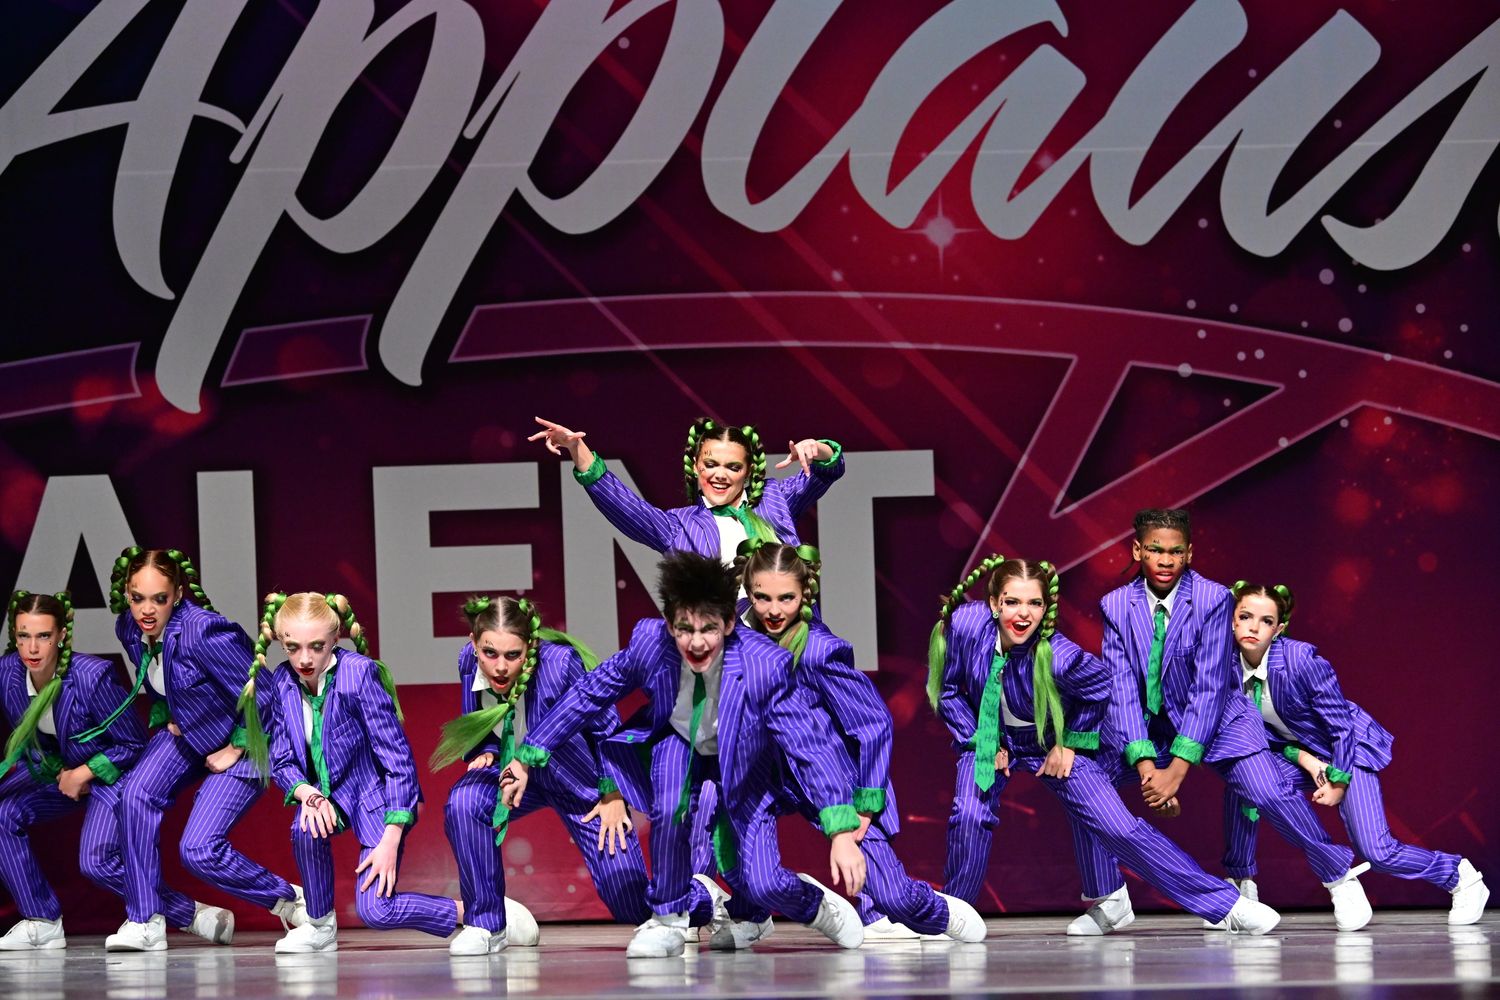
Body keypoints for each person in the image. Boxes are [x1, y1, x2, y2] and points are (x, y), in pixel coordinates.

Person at [498, 552, 869, 957]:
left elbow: (810, 745)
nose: (695, 642)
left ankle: (813, 905)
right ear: (669, 622)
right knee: (670, 806)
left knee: (763, 881)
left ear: (729, 623)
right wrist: (527, 755)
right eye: (683, 628)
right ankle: (669, 918)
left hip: (742, 760)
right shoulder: (649, 644)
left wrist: (840, 831)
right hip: (679, 741)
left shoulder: (765, 664)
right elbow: (589, 694)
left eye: (709, 629)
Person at [930, 555, 1281, 935]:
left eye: (1034, 603)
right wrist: (980, 738)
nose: (1023, 613)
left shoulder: (1060, 656)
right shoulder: (964, 627)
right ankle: (953, 916)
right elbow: (948, 691)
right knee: (968, 813)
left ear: (1046, 608)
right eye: (1012, 602)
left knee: (1118, 828)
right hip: (988, 736)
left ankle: (1225, 904)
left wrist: (1071, 744)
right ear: (995, 603)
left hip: (1053, 740)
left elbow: (1101, 688)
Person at [1084, 510, 1372, 934]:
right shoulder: (1114, 606)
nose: (1165, 560)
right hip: (1150, 731)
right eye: (1156, 550)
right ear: (1137, 550)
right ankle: (1109, 898)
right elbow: (1122, 687)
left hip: (1220, 723)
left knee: (1267, 791)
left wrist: (1176, 773)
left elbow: (1208, 687)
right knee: (1083, 778)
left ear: (1189, 553)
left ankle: (1337, 874)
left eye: (1175, 551)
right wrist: (1148, 769)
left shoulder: (1213, 599)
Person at [739, 541, 986, 945]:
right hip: (762, 777)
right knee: (756, 876)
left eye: (786, 598)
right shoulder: (732, 636)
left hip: (830, 780)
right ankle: (753, 912)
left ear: (805, 595)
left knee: (894, 895)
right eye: (762, 597)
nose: (773, 609)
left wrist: (867, 804)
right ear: (748, 592)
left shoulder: (819, 651)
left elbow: (873, 725)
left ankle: (935, 910)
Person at [1217, 581, 1488, 925]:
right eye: (1245, 616)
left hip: (1346, 750)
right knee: (1244, 781)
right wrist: (1305, 759)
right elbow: (1254, 735)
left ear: (1279, 629)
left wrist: (1338, 780)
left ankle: (1460, 876)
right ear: (1232, 620)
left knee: (1379, 851)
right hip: (1301, 755)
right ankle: (1242, 884)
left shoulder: (1301, 660)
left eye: (1266, 621)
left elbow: (1341, 728)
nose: (1254, 627)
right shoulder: (1223, 667)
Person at [104, 547, 304, 951]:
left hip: (246, 740)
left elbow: (264, 696)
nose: (147, 609)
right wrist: (170, 714)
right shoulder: (129, 628)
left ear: (177, 594)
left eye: (159, 598)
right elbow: (163, 681)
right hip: (192, 737)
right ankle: (145, 921)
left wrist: (235, 747)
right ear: (126, 595)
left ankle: (291, 900)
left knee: (198, 850)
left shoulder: (204, 631)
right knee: (134, 795)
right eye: (137, 597)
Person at [242, 592, 459, 953]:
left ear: (336, 637)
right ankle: (319, 923)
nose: (305, 659)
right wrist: (307, 793)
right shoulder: (281, 682)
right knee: (304, 824)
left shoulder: (358, 674)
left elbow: (398, 759)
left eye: (316, 646)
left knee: (377, 911)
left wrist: (391, 837)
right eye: (292, 647)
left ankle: (474, 913)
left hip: (374, 796)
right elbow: (282, 759)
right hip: (327, 795)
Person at [435, 595, 648, 955]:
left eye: (512, 655)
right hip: (512, 774)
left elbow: (606, 729)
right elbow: (480, 725)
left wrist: (613, 793)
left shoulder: (561, 664)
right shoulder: (467, 662)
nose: (500, 667)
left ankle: (690, 906)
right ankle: (487, 924)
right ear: (474, 644)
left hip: (580, 782)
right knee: (465, 802)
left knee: (627, 896)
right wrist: (486, 752)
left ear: (529, 646)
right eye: (489, 653)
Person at [0, 590, 155, 949]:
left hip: (110, 776)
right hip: (57, 774)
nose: (32, 648)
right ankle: (41, 920)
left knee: (95, 862)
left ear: (61, 636)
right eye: (24, 635)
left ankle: (186, 913)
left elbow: (133, 745)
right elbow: (39, 746)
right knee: (4, 813)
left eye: (43, 636)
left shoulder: (91, 675)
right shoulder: (9, 674)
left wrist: (84, 773)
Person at [530, 415, 842, 563]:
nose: (720, 475)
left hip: (791, 657)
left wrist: (819, 449)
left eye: (733, 467)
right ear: (695, 466)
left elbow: (826, 473)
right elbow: (623, 505)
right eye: (710, 464)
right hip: (723, 664)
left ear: (748, 472)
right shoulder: (678, 526)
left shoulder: (775, 500)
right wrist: (578, 450)